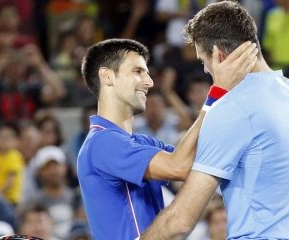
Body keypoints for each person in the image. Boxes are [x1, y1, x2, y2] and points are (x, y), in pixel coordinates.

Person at [141, 1, 289, 239]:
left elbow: (181, 220)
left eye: (204, 62)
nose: (206, 71)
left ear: (219, 55)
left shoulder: (231, 108)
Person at [77, 38, 256, 239]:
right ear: (107, 76)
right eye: (138, 72)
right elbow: (178, 166)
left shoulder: (143, 143)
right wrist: (218, 92)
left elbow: (196, 161)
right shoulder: (102, 142)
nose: (149, 82)